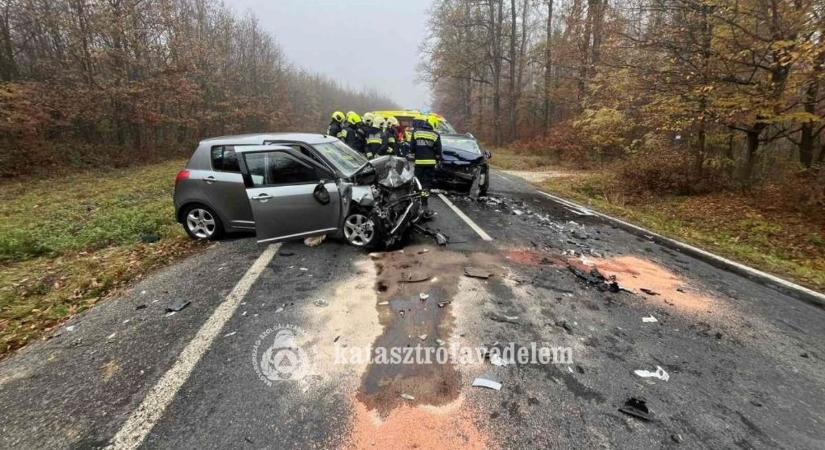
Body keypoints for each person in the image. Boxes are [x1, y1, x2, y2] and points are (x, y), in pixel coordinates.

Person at [410, 115, 443, 218]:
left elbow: (412, 148)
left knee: (417, 183)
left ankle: (414, 203)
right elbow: (438, 151)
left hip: (419, 163)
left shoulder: (416, 132)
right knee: (426, 185)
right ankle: (424, 204)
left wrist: (418, 153)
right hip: (430, 164)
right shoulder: (435, 134)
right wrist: (438, 160)